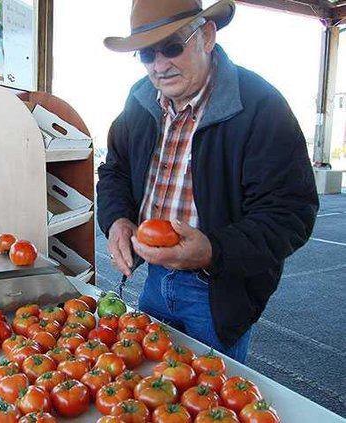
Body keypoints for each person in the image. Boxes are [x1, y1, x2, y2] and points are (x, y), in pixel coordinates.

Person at [97, 0, 318, 362]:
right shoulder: (138, 100)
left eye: (172, 46)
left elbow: (291, 211)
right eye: (146, 55)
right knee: (146, 393)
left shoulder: (261, 106)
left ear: (207, 36)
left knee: (212, 404)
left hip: (218, 294)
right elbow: (114, 171)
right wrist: (118, 219)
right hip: (153, 279)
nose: (159, 64)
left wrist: (213, 250)